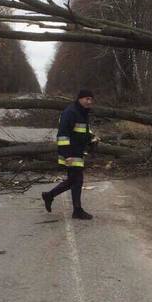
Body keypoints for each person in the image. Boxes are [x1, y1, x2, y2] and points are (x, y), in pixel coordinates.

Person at [41, 89, 98, 219]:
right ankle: (76, 210)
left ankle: (49, 196)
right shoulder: (70, 112)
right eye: (86, 99)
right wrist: (67, 155)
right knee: (77, 180)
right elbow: (63, 135)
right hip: (70, 152)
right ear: (79, 99)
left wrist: (91, 138)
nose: (89, 102)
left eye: (91, 99)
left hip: (77, 151)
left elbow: (82, 131)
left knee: (74, 180)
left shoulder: (82, 112)